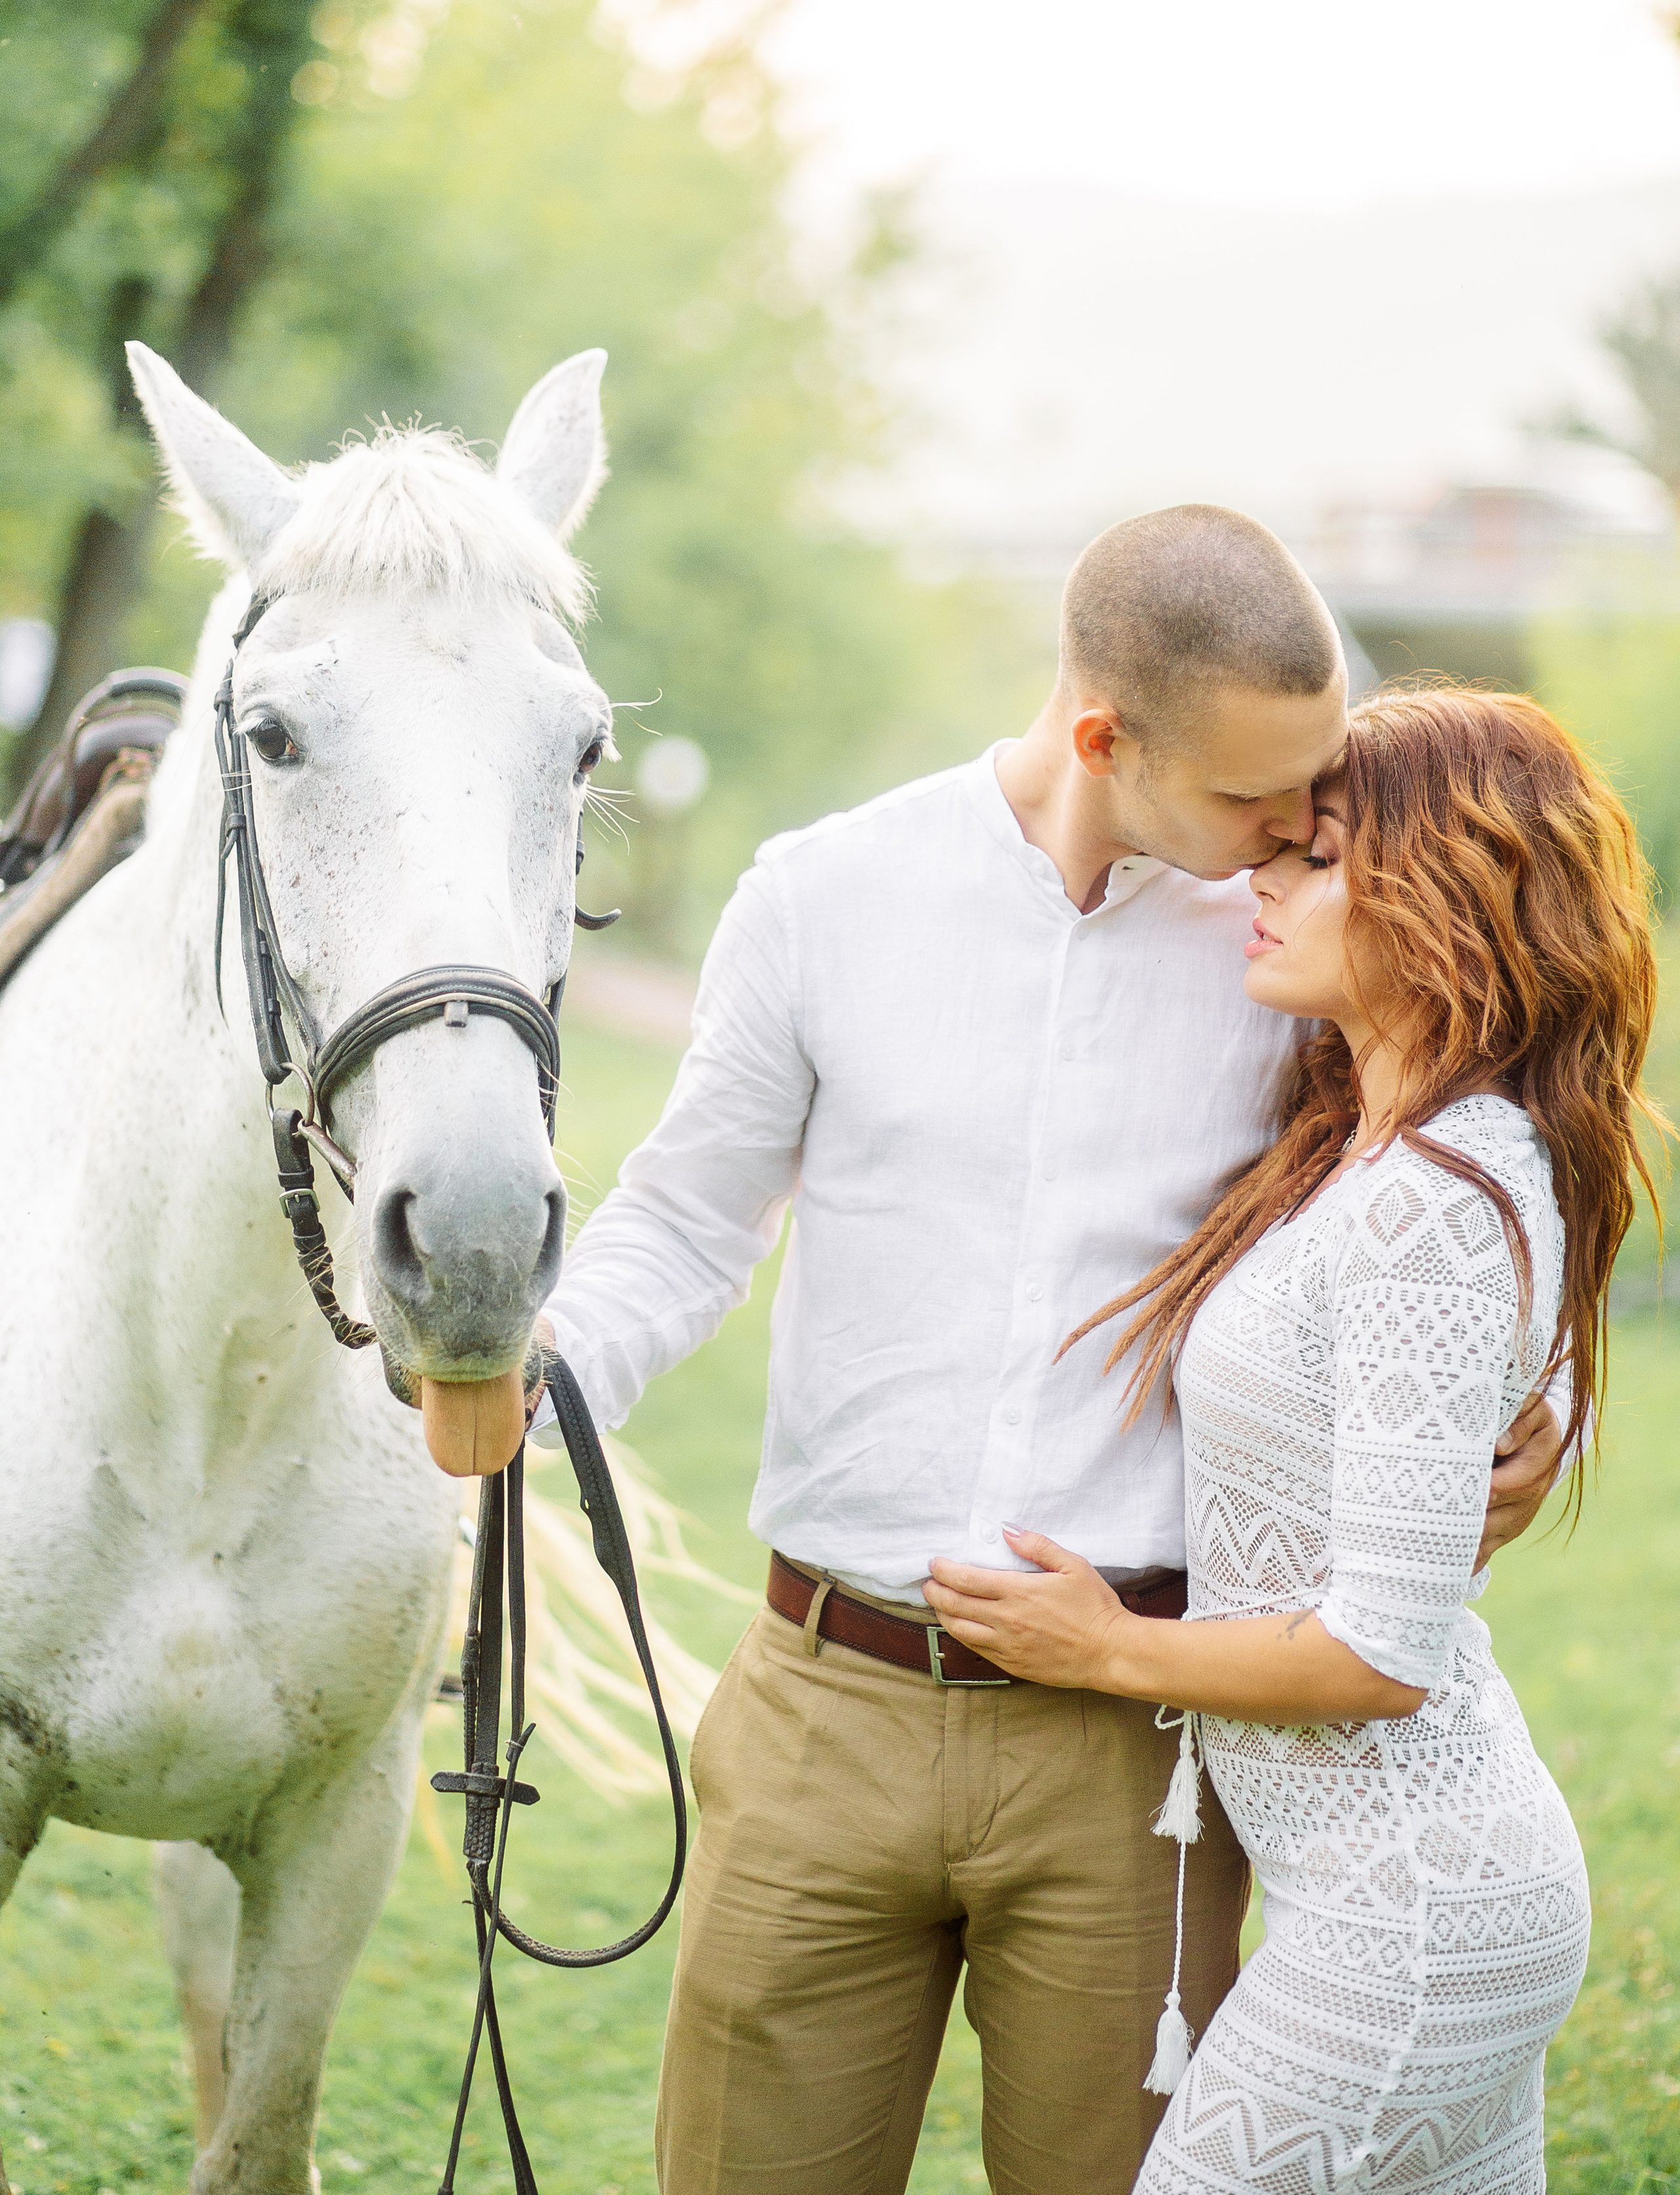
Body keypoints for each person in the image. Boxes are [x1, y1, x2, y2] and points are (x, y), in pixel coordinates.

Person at [536, 509, 1564, 2194]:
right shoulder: (826, 894)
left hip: (1138, 1750)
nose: (1295, 834)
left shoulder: (1288, 946)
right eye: (1253, 801)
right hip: (823, 1707)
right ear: (1104, 739)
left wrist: (1549, 1409)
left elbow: (1465, 1155)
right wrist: (547, 1374)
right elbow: (688, 1220)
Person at [925, 684, 1660, 2195]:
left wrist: (1101, 1648)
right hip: (1409, 1896)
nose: (1256, 877)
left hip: (1407, 1916)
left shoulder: (1431, 1195)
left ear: (1445, 894)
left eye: (1312, 858)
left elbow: (1379, 1657)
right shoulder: (1393, 1142)